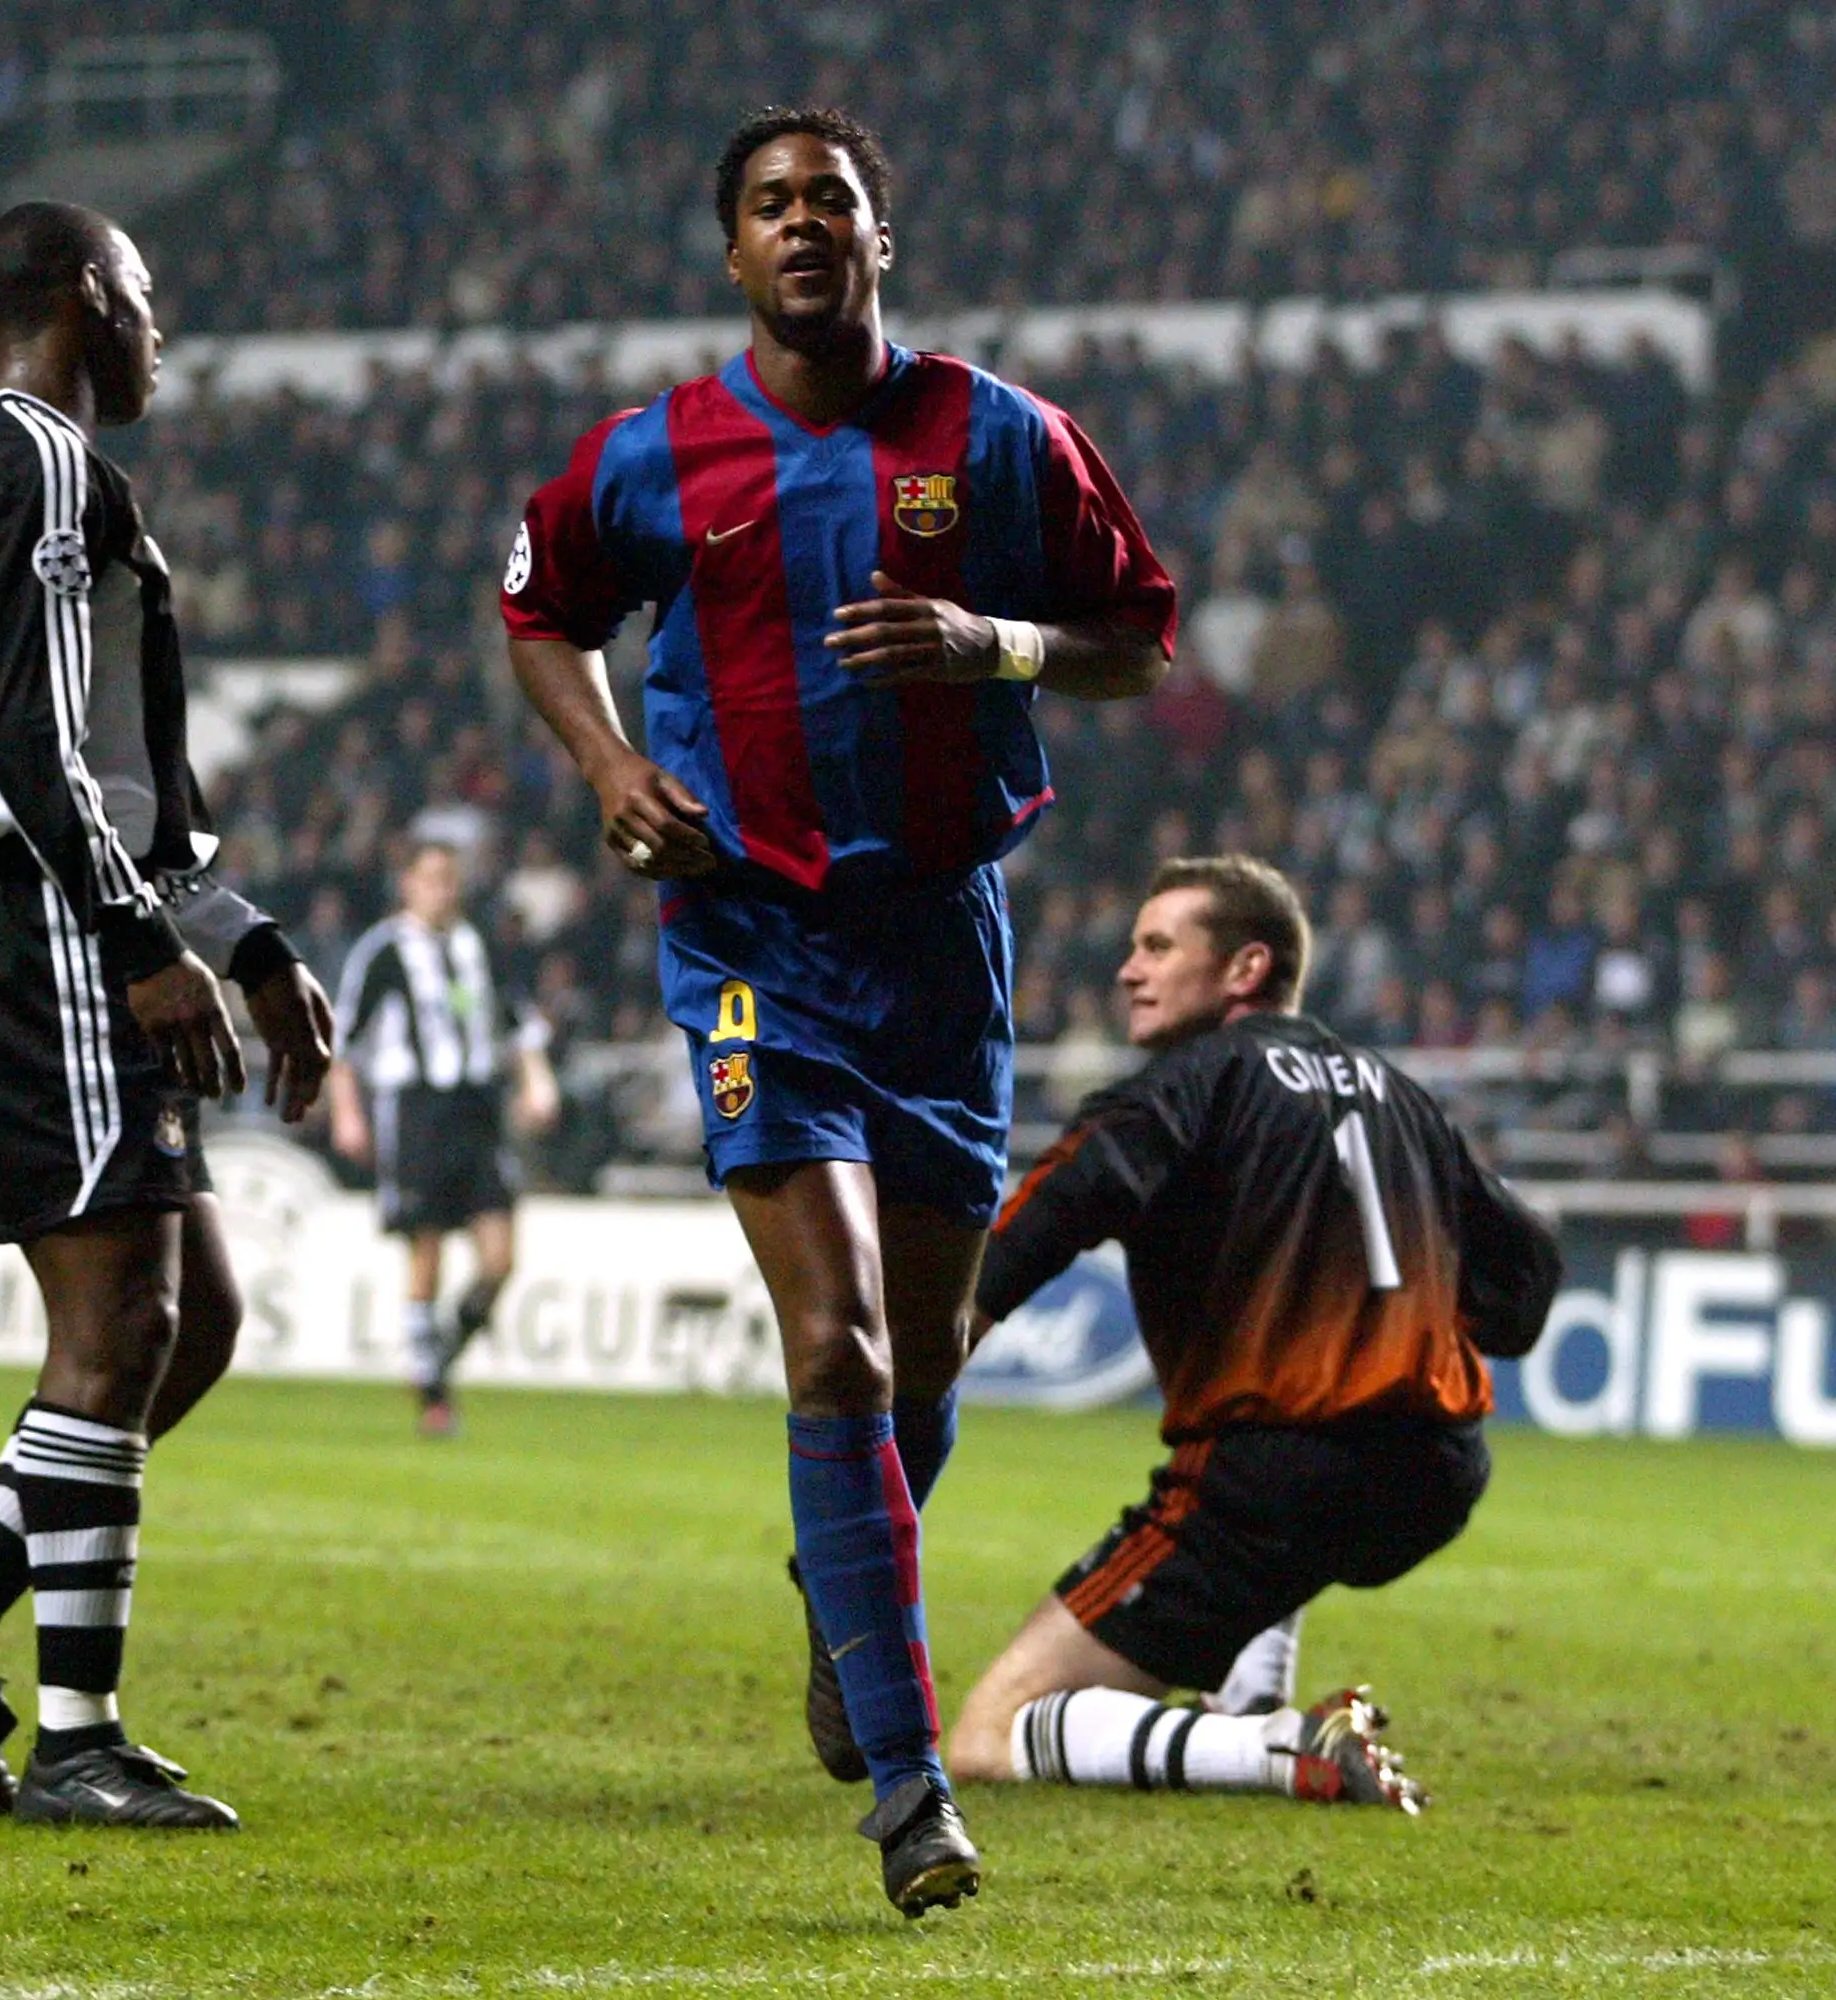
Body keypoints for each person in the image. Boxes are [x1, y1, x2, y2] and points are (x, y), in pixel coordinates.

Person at [502, 105, 1175, 1914]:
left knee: (926, 1364)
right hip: (751, 941)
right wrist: (607, 767)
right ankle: (904, 1784)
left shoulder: (1004, 440)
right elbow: (537, 611)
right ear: (733, 253)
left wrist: (992, 645)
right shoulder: (654, 457)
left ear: (886, 236)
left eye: (837, 201)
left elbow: (1139, 639)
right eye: (773, 205)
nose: (807, 225)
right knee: (841, 1352)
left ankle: (844, 1585)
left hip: (940, 946)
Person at [0, 200, 335, 1832]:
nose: (159, 328)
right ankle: (75, 1741)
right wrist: (134, 936)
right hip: (33, 921)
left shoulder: (53, 473)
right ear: (75, 300)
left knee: (190, 1322)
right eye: (144, 293)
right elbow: (33, 748)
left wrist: (247, 943)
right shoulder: (27, 459)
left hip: (60, 910)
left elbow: (125, 776)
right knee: (121, 1323)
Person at [946, 857, 1561, 1807]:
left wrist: (950, 1331)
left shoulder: (1186, 1086)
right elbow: (1525, 1284)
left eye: (1157, 945)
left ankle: (1274, 1747)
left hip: (1272, 1479)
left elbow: (1053, 1209)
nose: (1128, 969)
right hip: (1436, 1473)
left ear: (1244, 969)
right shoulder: (1403, 1095)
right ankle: (1255, 1688)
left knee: (989, 1734)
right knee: (1295, 1512)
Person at [327, 838, 560, 1436]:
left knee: (500, 1258)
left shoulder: (476, 944)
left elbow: (516, 1020)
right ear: (406, 884)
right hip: (416, 1111)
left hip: (477, 1110)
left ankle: (440, 1353)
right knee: (425, 1247)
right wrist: (347, 1113)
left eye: (450, 879)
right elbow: (343, 1038)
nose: (443, 890)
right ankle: (433, 1395)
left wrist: (536, 1081)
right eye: (431, 878)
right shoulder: (383, 950)